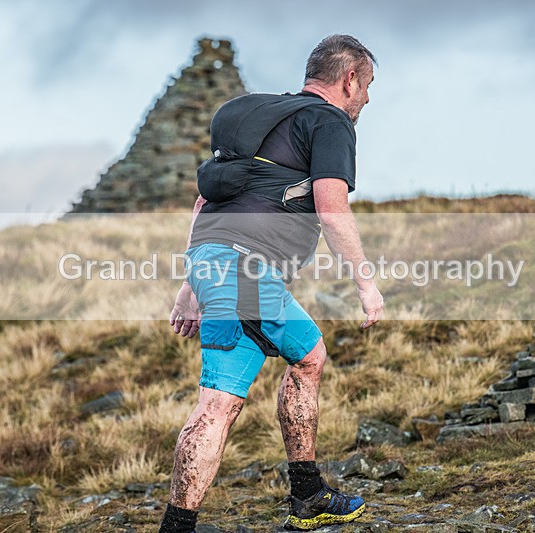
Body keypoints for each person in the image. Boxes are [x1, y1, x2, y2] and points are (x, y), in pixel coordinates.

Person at [160, 34, 383, 532]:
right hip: (247, 272)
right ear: (349, 80)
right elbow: (332, 208)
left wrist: (191, 286)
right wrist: (365, 283)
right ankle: (299, 498)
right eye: (368, 86)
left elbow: (207, 204)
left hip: (213, 263)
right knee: (242, 392)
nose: (367, 98)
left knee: (274, 374)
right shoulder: (329, 122)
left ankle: (299, 495)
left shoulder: (252, 113)